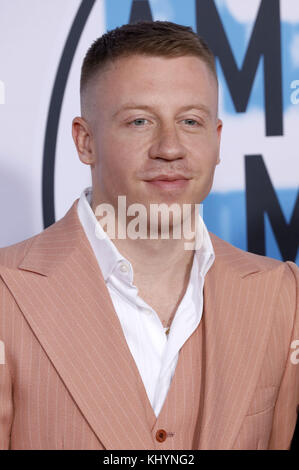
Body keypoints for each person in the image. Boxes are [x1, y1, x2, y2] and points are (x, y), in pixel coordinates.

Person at [0, 21, 298, 450]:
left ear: (216, 142)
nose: (170, 147)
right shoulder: (7, 291)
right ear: (85, 142)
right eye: (140, 121)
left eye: (191, 121)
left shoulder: (284, 296)